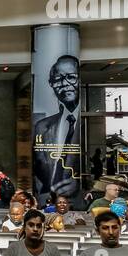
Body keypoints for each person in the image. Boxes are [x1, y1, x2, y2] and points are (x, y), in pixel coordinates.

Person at [33, 54, 83, 203]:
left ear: (80, 80)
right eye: (58, 80)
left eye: (71, 77)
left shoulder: (85, 122)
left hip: (77, 203)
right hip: (47, 202)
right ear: (51, 84)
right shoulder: (42, 127)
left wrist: (79, 183)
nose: (65, 83)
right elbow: (38, 171)